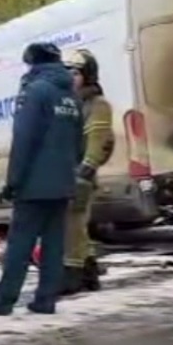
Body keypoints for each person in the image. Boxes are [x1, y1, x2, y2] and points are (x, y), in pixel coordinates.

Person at [0, 42, 84, 316]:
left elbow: (24, 141)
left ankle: (3, 300)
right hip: (63, 183)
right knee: (54, 244)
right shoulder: (71, 97)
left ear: (33, 63)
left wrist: (13, 182)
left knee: (20, 245)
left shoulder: (34, 92)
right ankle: (46, 299)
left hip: (33, 185)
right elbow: (80, 143)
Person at [61, 48, 115, 296]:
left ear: (87, 74)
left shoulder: (97, 104)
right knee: (76, 226)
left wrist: (86, 170)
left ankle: (72, 276)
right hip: (66, 170)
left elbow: (99, 139)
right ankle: (88, 272)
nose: (70, 77)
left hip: (81, 173)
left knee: (72, 225)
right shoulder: (70, 102)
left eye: (75, 72)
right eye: (66, 72)